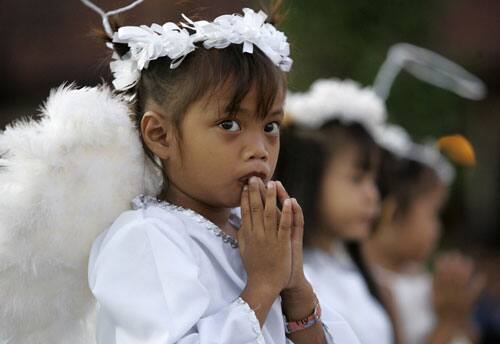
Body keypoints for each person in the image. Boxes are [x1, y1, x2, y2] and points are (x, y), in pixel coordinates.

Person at [0, 1, 361, 343]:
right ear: (160, 135)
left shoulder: (253, 234)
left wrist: (295, 286)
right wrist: (263, 287)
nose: (259, 149)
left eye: (270, 126)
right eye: (230, 124)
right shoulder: (146, 238)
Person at [277, 79, 396, 344]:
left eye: (374, 181)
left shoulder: (359, 273)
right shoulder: (292, 273)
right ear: (309, 176)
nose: (373, 195)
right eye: (357, 179)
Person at [364, 136, 485, 344]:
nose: (439, 229)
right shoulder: (374, 289)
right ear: (393, 213)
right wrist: (447, 320)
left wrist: (461, 313)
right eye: (434, 214)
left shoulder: (424, 278)